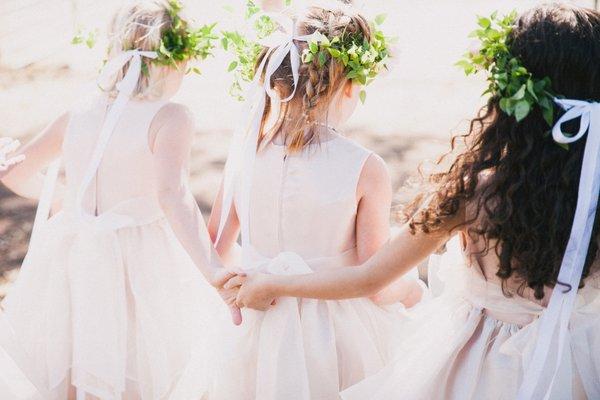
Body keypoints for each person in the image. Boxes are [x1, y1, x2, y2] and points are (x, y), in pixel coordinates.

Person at [232, 4, 600, 399]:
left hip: (479, 368)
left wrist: (275, 283)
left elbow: (369, 277)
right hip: (578, 358)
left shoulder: (474, 189)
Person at [0, 1, 237, 399]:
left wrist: (70, 204)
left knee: (80, 353)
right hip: (141, 255)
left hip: (74, 249)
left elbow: (15, 172)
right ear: (174, 57)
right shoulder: (171, 116)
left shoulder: (80, 110)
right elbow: (172, 196)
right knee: (141, 361)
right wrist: (213, 270)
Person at [200, 4, 421, 400]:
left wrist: (239, 287)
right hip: (334, 332)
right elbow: (375, 282)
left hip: (255, 322)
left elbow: (215, 243)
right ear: (349, 84)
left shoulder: (246, 152)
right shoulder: (364, 168)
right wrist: (410, 290)